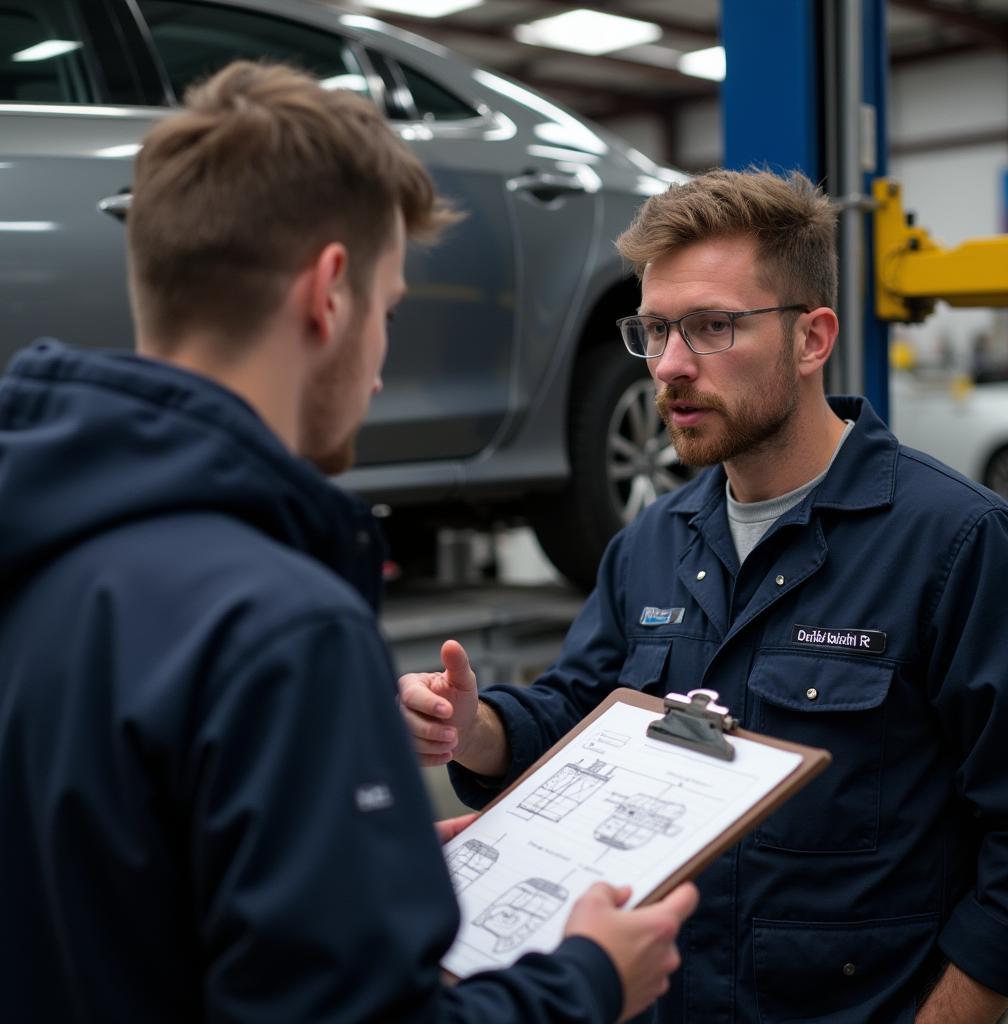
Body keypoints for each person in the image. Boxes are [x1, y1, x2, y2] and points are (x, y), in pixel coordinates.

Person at [0, 61, 698, 1023]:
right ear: (329, 292)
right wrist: (588, 979)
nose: (379, 368)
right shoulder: (278, 625)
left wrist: (358, 879)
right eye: (390, 310)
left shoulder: (32, 549)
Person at [400, 169, 1008, 1023]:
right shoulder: (651, 542)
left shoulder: (957, 542)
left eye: (712, 327)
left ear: (812, 338)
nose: (671, 367)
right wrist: (479, 729)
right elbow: (582, 718)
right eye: (653, 331)